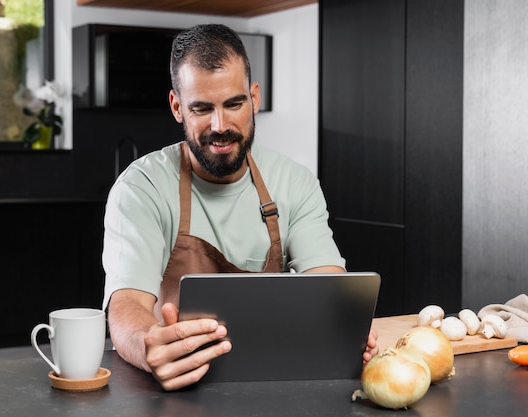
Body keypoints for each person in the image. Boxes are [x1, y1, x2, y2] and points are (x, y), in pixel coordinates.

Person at [102, 23, 378, 391]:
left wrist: (345, 325)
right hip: (181, 385)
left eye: (234, 104)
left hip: (278, 382)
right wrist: (147, 346)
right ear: (177, 107)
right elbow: (127, 306)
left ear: (254, 98)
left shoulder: (294, 181)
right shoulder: (142, 187)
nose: (221, 126)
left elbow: (326, 284)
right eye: (201, 108)